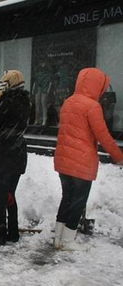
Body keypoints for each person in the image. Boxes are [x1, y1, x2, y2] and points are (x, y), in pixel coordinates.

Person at [53, 67, 123, 251]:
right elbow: (103, 135)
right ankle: (68, 241)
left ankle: (58, 238)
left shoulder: (68, 102)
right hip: (81, 162)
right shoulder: (92, 106)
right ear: (97, 86)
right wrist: (118, 156)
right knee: (78, 202)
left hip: (64, 160)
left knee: (66, 198)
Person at [0, 70, 31, 245]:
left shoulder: (8, 102)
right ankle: (14, 232)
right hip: (17, 153)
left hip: (5, 153)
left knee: (1, 195)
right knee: (10, 193)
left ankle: (2, 233)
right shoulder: (25, 101)